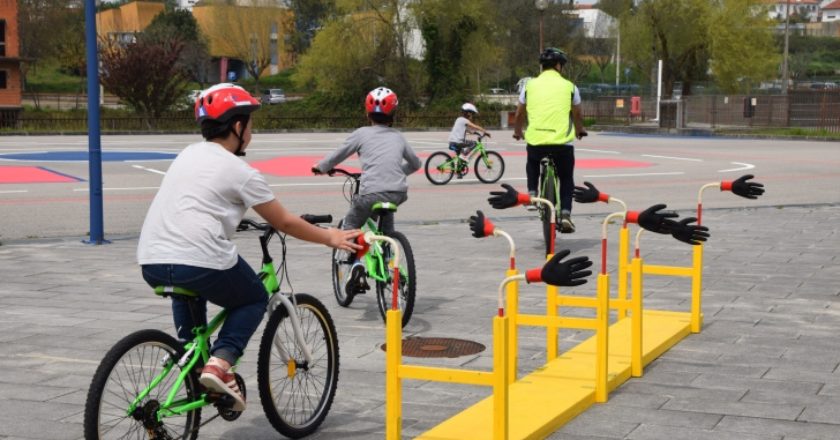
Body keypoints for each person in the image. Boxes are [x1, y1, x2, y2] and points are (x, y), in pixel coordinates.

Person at [137, 83, 361, 412]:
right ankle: (220, 363)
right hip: (199, 258)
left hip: (152, 258)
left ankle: (197, 367)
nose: (252, 131)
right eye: (250, 124)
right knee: (255, 296)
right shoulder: (241, 171)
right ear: (237, 126)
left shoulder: (187, 154)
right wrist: (331, 237)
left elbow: (197, 202)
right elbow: (283, 221)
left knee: (191, 297)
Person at [312, 86, 422, 293]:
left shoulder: (361, 133)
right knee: (385, 227)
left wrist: (321, 167)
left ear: (367, 113)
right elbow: (416, 163)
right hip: (398, 192)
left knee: (352, 223)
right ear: (394, 114)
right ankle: (389, 254)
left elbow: (340, 153)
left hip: (371, 192)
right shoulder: (398, 137)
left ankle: (356, 265)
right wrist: (398, 173)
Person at [513, 47, 587, 234]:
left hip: (537, 142)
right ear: (558, 65)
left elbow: (520, 112)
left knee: (532, 162)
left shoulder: (529, 86)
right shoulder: (570, 87)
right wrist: (579, 130)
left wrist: (517, 131)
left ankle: (531, 193)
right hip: (562, 144)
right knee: (566, 177)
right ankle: (566, 214)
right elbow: (577, 113)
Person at [448, 103, 491, 167]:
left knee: (460, 159)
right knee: (474, 144)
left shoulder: (459, 119)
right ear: (468, 113)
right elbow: (475, 126)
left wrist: (473, 133)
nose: (472, 116)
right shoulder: (465, 120)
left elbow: (463, 129)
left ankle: (459, 171)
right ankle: (464, 156)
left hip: (452, 142)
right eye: (472, 113)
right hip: (458, 142)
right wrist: (485, 131)